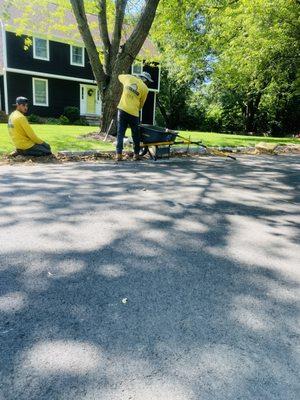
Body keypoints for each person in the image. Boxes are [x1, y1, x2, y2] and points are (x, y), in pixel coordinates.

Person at [116, 71, 153, 161]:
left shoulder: (128, 78)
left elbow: (119, 76)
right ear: (146, 80)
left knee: (120, 133)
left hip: (122, 109)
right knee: (135, 134)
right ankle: (136, 155)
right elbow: (141, 103)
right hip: (134, 113)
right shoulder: (145, 88)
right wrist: (136, 108)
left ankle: (119, 155)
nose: (147, 83)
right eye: (148, 81)